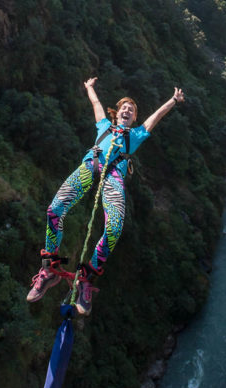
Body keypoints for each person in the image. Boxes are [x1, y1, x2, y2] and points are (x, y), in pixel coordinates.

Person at [27, 77, 184, 315]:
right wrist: (90, 87)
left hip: (113, 177)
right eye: (124, 108)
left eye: (131, 111)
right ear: (117, 113)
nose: (127, 111)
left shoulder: (135, 136)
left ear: (133, 119)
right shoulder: (103, 126)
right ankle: (49, 269)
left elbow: (156, 117)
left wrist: (173, 100)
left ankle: (86, 279)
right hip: (90, 167)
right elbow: (96, 104)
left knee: (114, 228)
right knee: (54, 210)